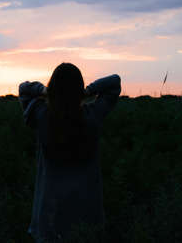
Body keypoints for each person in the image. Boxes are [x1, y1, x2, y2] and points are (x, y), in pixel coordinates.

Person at [18, 63, 121, 243]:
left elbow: (23, 89)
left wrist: (43, 90)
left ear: (53, 89)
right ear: (79, 90)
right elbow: (114, 83)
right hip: (86, 220)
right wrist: (88, 91)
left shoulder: (42, 117)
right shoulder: (92, 116)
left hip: (48, 221)